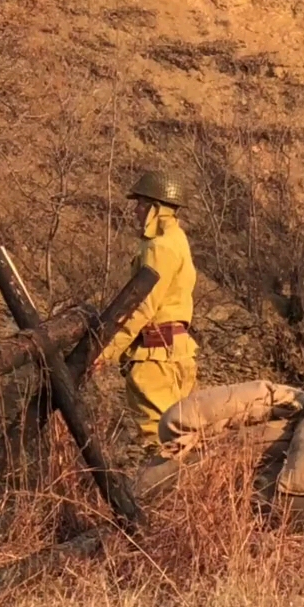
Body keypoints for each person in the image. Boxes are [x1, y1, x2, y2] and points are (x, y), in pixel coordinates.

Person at [94, 170, 198, 444]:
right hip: (177, 353)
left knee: (159, 439)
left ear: (155, 208)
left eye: (140, 204)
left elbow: (142, 307)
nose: (136, 211)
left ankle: (162, 488)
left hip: (155, 358)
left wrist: (106, 350)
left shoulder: (160, 247)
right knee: (182, 439)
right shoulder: (179, 241)